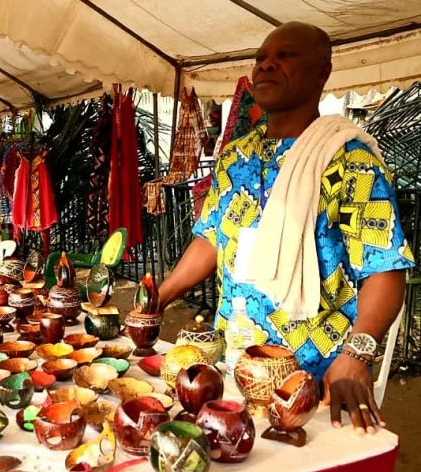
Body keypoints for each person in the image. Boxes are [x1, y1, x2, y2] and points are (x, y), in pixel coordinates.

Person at [159, 22, 414, 436]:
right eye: (261, 58)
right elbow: (210, 238)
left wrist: (357, 354)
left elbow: (384, 268)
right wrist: (161, 295)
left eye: (285, 56)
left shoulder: (350, 163)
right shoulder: (234, 158)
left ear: (321, 72)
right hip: (232, 364)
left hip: (313, 380)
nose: (266, 65)